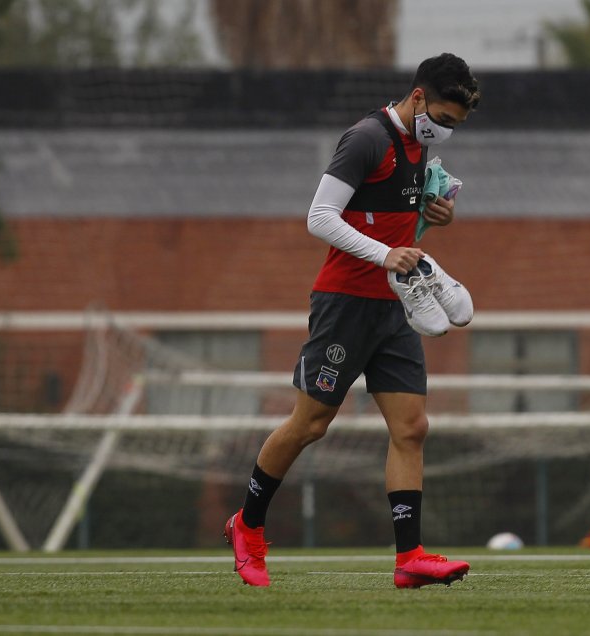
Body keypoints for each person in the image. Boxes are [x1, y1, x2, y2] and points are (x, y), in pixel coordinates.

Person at [224, 53, 480, 588]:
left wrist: (432, 220)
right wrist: (386, 253)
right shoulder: (367, 137)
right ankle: (247, 525)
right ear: (417, 98)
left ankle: (410, 558)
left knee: (412, 428)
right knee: (310, 425)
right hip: (344, 304)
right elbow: (319, 217)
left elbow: (390, 225)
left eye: (456, 124)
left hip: (398, 305)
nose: (448, 131)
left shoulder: (421, 143)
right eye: (444, 119)